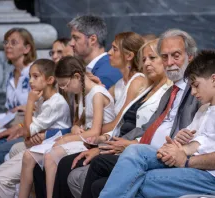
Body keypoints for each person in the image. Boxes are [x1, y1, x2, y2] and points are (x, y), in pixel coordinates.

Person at [99, 27, 215, 198]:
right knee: (134, 152)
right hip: (198, 165)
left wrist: (187, 161)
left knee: (139, 180)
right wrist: (182, 150)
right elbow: (208, 137)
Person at [77, 50, 215, 198]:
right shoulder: (204, 109)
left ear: (214, 80)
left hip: (206, 171)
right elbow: (191, 137)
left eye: (196, 85)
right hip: (179, 155)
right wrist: (179, 142)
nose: (193, 91)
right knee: (134, 151)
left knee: (136, 179)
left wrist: (183, 151)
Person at [31, 32, 148, 198]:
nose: (109, 53)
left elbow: (117, 123)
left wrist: (93, 132)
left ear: (128, 55)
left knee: (65, 164)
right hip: (105, 137)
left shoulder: (137, 81)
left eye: (114, 49)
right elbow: (101, 103)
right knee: (42, 163)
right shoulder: (120, 83)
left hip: (117, 139)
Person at [59, 39, 172, 198]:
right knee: (68, 165)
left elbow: (150, 129)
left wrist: (106, 143)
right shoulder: (146, 87)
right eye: (144, 59)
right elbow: (121, 121)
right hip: (120, 141)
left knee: (84, 168)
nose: (146, 63)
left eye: (152, 58)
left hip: (137, 148)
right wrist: (104, 140)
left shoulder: (165, 91)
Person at [0, 59, 71, 198]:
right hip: (38, 145)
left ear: (50, 79)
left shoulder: (55, 103)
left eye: (36, 76)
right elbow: (28, 134)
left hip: (51, 147)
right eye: (30, 77)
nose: (31, 81)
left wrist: (30, 102)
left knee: (0, 180)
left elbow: (27, 132)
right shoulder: (43, 100)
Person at [0, 28, 37, 175]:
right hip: (10, 123)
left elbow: (43, 105)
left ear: (27, 48)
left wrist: (27, 107)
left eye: (13, 42)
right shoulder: (10, 74)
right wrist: (1, 123)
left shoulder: (35, 72)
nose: (7, 46)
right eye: (6, 42)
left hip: (26, 126)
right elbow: (10, 109)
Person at [68, 15, 122, 89]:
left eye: (76, 38)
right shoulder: (101, 68)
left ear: (92, 40)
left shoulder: (104, 76)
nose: (71, 43)